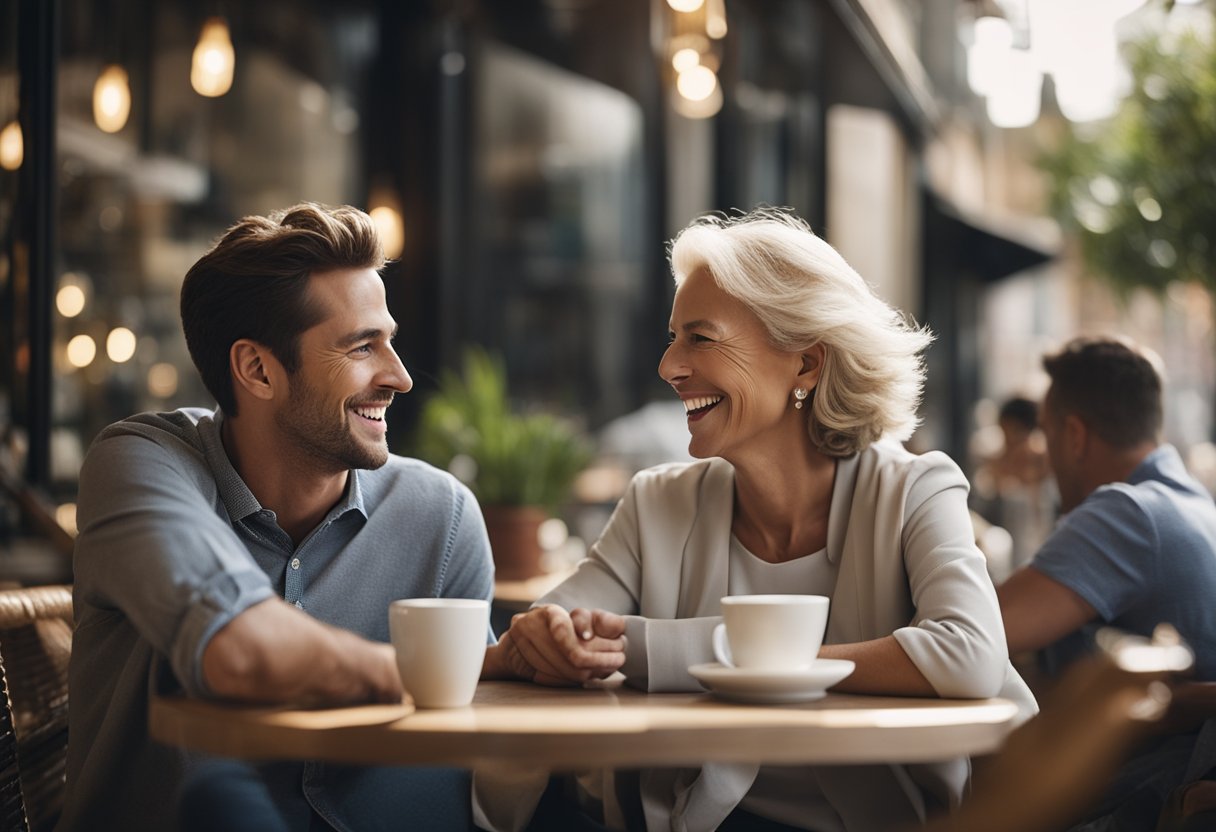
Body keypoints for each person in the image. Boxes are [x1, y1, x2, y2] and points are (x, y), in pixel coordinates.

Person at [497, 208, 1037, 832]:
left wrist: (675, 651)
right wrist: (545, 638)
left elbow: (968, 654)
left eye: (700, 338)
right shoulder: (658, 501)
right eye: (673, 338)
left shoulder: (916, 488)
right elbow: (552, 634)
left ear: (806, 365)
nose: (669, 366)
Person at [61, 203, 582, 831]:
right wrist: (425, 677)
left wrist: (519, 666)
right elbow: (242, 651)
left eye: (390, 341)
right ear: (257, 370)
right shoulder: (143, 465)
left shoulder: (441, 516)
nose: (400, 377)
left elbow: (486, 760)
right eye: (362, 347)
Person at [997, 335, 1216, 831]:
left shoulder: (1129, 512)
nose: (1045, 457)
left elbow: (970, 632)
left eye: (1047, 434)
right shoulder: (1193, 504)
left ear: (1075, 435)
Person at [972, 396, 1054, 574]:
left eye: (1012, 433)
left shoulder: (1051, 465)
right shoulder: (998, 465)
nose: (1007, 443)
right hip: (1012, 565)